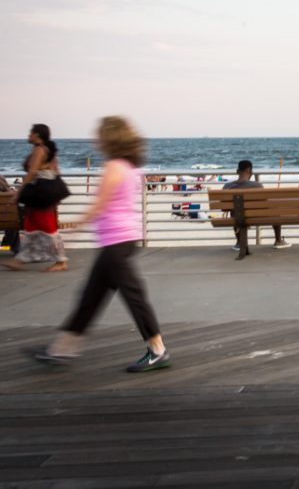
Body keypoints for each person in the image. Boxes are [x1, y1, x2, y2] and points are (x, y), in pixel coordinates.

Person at [31, 116, 171, 372]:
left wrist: (74, 230)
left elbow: (100, 204)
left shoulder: (114, 167)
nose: (96, 140)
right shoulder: (130, 167)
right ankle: (62, 348)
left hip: (116, 242)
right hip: (121, 240)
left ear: (110, 138)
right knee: (91, 297)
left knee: (133, 297)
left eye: (99, 135)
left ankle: (158, 350)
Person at [2, 124, 68, 272]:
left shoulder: (39, 149)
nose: (28, 136)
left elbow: (32, 172)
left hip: (41, 192)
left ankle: (61, 261)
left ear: (37, 135)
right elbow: (56, 171)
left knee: (47, 226)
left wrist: (19, 192)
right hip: (43, 191)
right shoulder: (47, 149)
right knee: (30, 225)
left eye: (30, 133)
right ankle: (20, 260)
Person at [222, 160, 291, 251]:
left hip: (238, 219)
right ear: (250, 171)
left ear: (237, 171)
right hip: (257, 218)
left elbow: (224, 209)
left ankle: (240, 242)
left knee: (235, 213)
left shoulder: (227, 186)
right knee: (275, 210)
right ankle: (278, 241)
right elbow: (265, 204)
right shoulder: (257, 186)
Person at [0, 175, 20, 255]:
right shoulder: (1, 179)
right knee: (12, 221)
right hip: (7, 221)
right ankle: (13, 248)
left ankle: (4, 246)